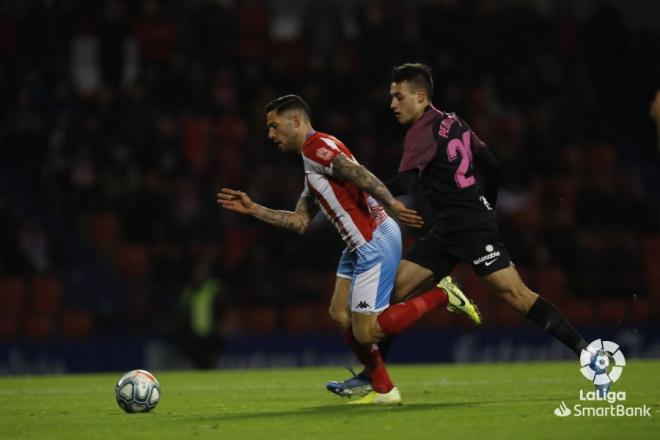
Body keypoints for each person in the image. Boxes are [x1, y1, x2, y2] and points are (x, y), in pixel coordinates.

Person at [327, 63, 589, 396]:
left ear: (420, 96)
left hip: (472, 228)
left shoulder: (421, 132)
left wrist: (359, 186)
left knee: (516, 295)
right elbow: (491, 165)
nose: (393, 104)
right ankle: (373, 377)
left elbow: (406, 181)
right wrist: (488, 205)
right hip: (449, 228)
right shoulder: (455, 122)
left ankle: (587, 353)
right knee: (392, 294)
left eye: (398, 96)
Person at [217, 94, 480, 404]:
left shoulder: (318, 148)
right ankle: (381, 386)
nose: (270, 135)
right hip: (357, 245)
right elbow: (301, 222)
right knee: (340, 313)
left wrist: (391, 201)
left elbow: (357, 173)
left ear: (297, 121)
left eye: (274, 126)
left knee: (367, 332)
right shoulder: (312, 159)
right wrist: (254, 210)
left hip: (373, 241)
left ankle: (443, 294)